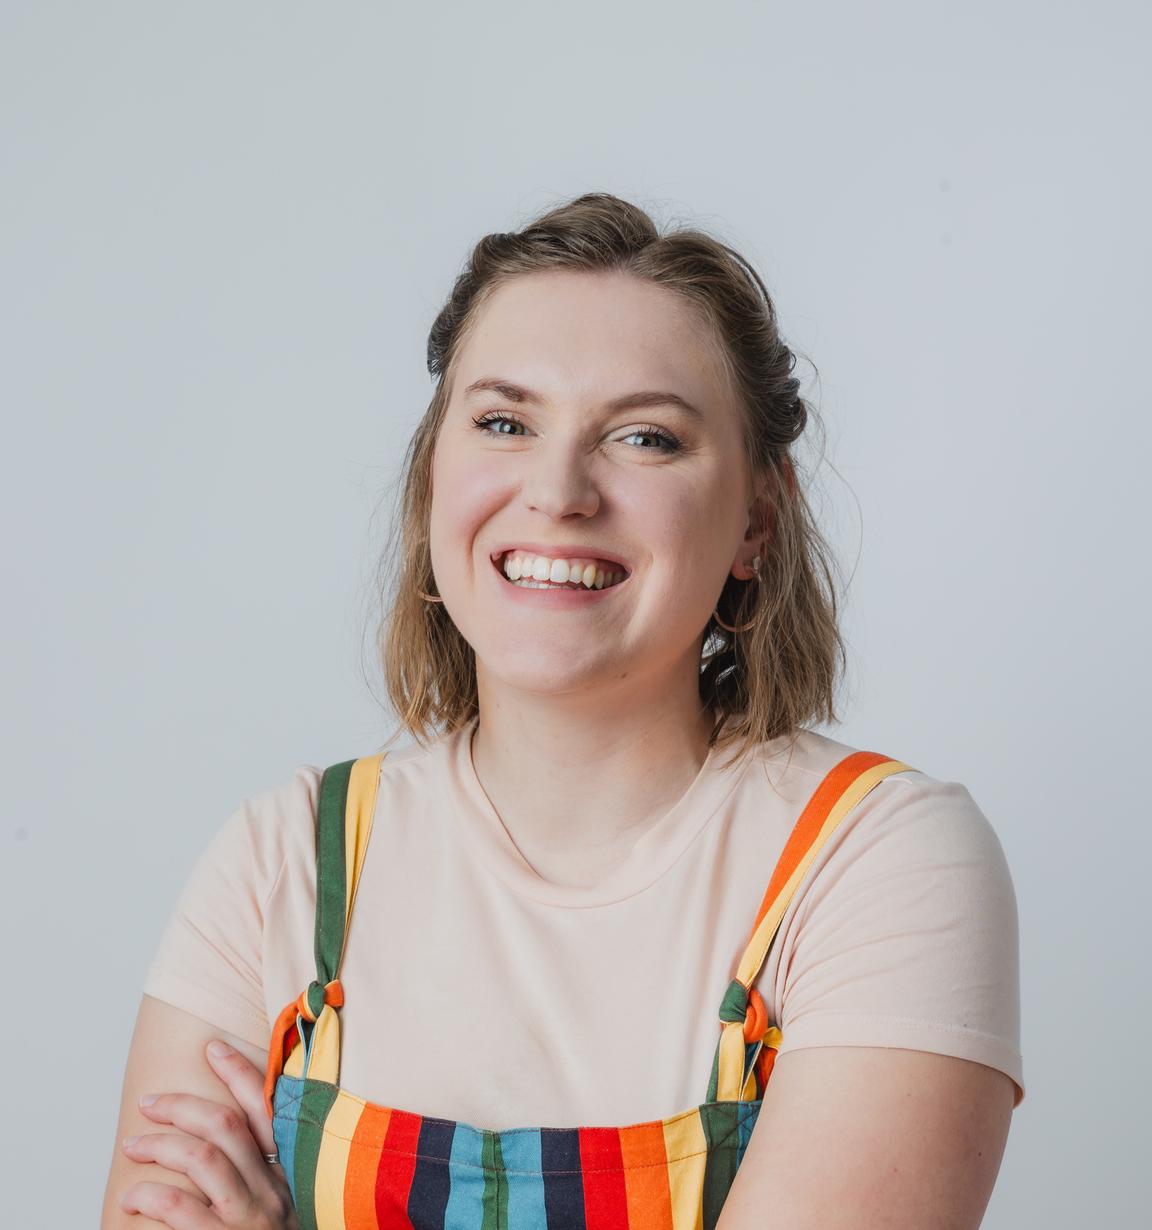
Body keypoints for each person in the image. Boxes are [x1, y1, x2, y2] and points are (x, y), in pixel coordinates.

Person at [102, 192, 1023, 1230]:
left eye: (645, 438)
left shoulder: (875, 858)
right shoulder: (282, 864)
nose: (558, 489)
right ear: (431, 481)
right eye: (503, 422)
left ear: (757, 522)